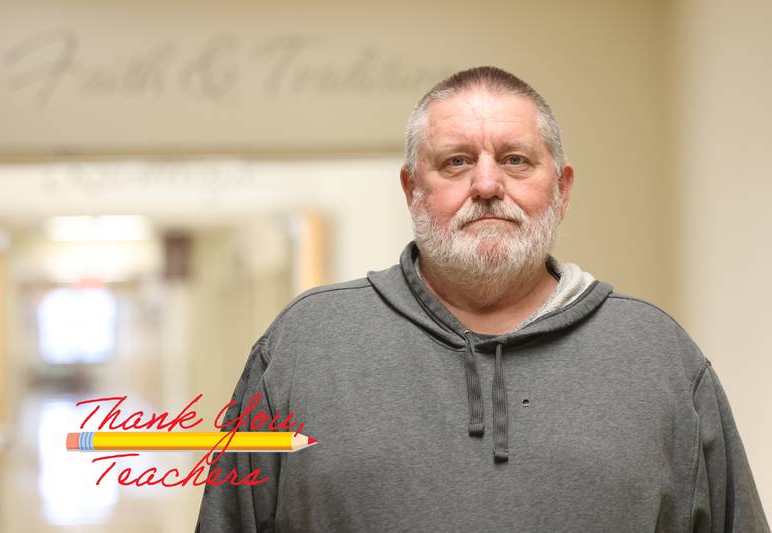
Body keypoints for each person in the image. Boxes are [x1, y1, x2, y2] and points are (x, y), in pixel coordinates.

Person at [195, 66, 769, 532]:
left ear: (561, 189)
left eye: (516, 160)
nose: (488, 185)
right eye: (457, 162)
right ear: (411, 188)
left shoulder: (659, 357)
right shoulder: (304, 348)